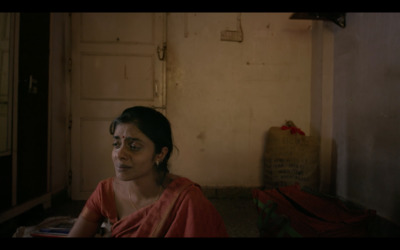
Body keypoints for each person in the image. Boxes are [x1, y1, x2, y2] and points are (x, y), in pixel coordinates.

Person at [68, 106, 228, 237]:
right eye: (116, 144)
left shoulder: (186, 200)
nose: (120, 155)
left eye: (134, 147)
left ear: (160, 154)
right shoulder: (105, 191)